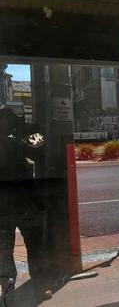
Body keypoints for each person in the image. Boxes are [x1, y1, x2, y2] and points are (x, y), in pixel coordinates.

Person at [0, 108, 52, 303]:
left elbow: (38, 145)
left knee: (15, 249)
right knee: (18, 248)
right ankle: (14, 287)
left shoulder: (19, 142)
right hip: (14, 206)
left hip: (21, 205)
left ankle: (12, 287)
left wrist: (29, 134)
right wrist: (29, 133)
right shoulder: (16, 143)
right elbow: (38, 144)